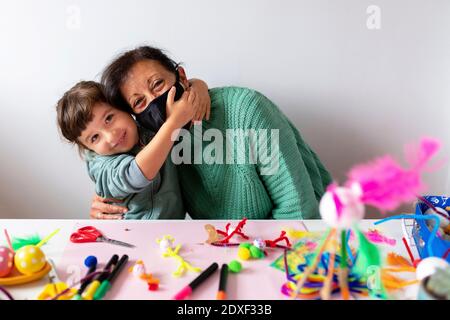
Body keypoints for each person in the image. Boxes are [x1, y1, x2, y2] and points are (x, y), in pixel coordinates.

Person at [91, 46, 332, 220]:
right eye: (139, 102)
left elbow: (297, 207)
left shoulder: (247, 109)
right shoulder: (154, 140)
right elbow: (123, 171)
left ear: (181, 77)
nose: (157, 102)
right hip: (224, 246)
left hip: (306, 238)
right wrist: (104, 202)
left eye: (157, 84)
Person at [56, 79, 209, 219]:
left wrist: (198, 87)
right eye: (95, 138)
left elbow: (180, 93)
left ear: (123, 107)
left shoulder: (147, 129)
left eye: (109, 118)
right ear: (88, 147)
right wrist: (173, 123)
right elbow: (134, 174)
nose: (110, 136)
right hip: (128, 233)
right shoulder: (101, 166)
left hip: (171, 232)